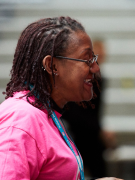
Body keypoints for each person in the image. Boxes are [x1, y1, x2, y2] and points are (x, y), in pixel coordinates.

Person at [0, 16, 121, 180]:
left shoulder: (46, 114)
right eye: (87, 59)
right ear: (52, 65)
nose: (95, 67)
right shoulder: (21, 119)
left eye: (94, 59)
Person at [61, 39, 116, 178]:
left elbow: (95, 112)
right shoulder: (79, 79)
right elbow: (73, 111)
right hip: (79, 134)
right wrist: (99, 131)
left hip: (89, 133)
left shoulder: (99, 79)